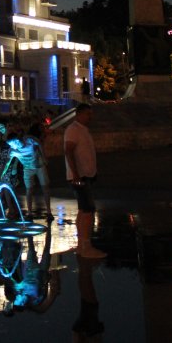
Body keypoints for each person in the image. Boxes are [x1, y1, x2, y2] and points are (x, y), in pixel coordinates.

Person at [64, 103, 105, 258]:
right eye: (88, 114)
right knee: (88, 210)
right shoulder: (73, 130)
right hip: (79, 176)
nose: (90, 117)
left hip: (85, 174)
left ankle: (82, 245)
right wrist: (75, 174)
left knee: (83, 210)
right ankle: (86, 247)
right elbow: (68, 151)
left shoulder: (82, 130)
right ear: (79, 114)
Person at [3, 131, 51, 219]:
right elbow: (7, 163)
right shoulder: (13, 150)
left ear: (16, 141)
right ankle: (29, 213)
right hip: (27, 169)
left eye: (12, 144)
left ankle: (49, 212)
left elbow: (39, 143)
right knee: (29, 190)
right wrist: (1, 177)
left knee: (45, 188)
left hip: (40, 166)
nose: (11, 146)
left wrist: (44, 157)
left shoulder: (29, 140)